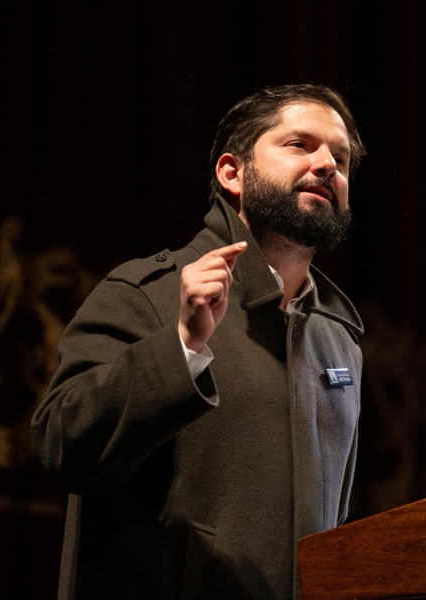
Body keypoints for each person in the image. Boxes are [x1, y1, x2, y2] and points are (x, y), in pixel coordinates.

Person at [31, 84, 367, 600]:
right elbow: (64, 445)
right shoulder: (148, 294)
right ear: (232, 173)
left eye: (340, 158)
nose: (327, 165)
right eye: (300, 145)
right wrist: (183, 344)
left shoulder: (338, 337)